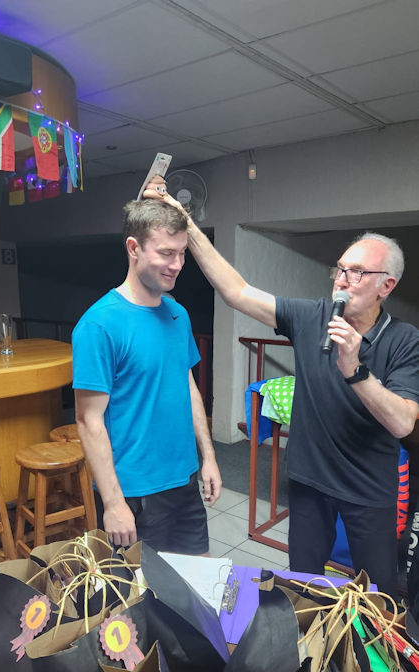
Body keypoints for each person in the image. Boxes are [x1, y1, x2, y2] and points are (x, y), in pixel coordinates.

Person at [144, 176, 419, 597]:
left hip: (368, 491)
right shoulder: (312, 317)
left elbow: (402, 422)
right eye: (340, 269)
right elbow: (236, 291)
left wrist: (355, 369)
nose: (342, 280)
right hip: (309, 483)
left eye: (358, 272)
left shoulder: (404, 339)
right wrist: (186, 221)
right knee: (303, 586)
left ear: (387, 285)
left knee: (377, 596)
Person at [72, 198, 221, 554]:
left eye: (182, 253)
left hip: (184, 479)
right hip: (135, 492)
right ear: (133, 248)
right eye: (167, 253)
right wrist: (113, 504)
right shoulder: (98, 325)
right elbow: (88, 420)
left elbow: (187, 386)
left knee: (197, 582)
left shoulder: (177, 313)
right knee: (142, 589)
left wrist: (209, 457)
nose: (177, 265)